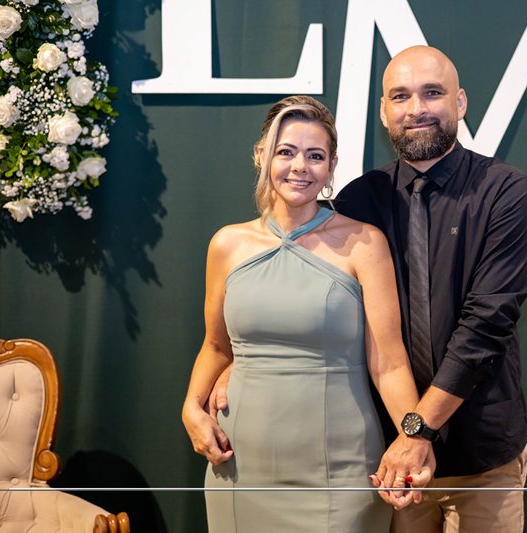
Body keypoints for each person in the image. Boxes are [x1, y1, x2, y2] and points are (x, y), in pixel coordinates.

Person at [213, 45, 527, 532]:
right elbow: (308, 304)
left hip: (480, 454)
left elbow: (486, 326)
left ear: (461, 102)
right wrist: (238, 360)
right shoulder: (358, 200)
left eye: (432, 93)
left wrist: (417, 431)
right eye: (400, 96)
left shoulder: (504, 191)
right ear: (384, 111)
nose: (416, 109)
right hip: (387, 460)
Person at [181, 95, 431, 532]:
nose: (300, 166)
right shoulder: (227, 245)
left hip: (340, 470)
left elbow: (389, 364)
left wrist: (414, 439)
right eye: (286, 152)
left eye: (315, 156)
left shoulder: (364, 243)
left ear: (332, 167)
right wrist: (191, 407)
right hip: (239, 465)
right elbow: (217, 347)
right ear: (262, 156)